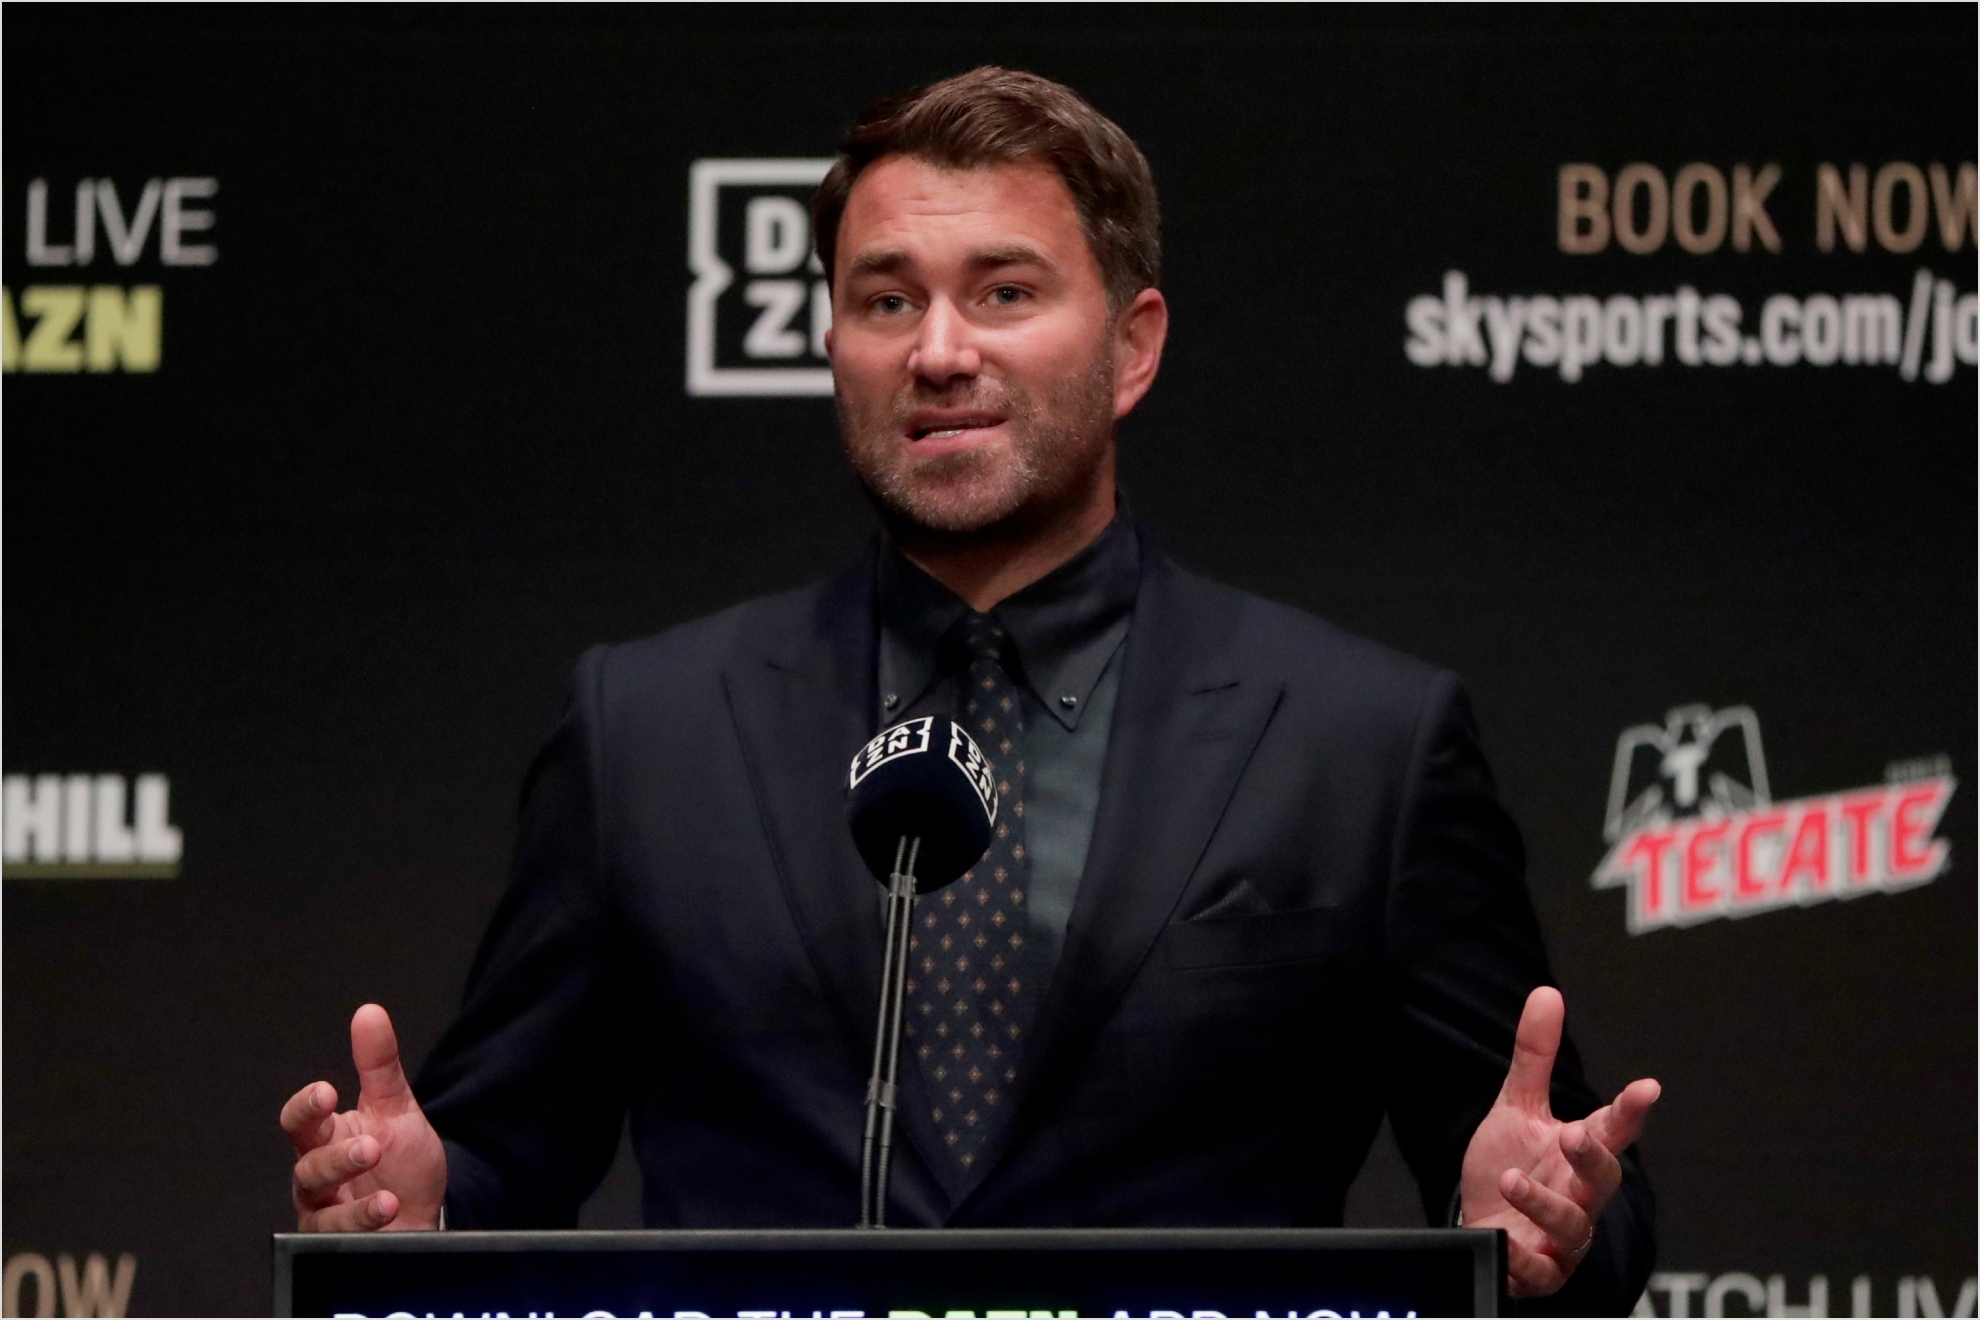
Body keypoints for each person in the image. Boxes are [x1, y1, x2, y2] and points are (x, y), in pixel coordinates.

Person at [280, 66, 1660, 1311]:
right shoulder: (646, 726)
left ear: (1132, 345)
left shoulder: (1364, 741)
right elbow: (501, 1173)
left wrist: (1548, 1230)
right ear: (831, 343)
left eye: (1003, 291)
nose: (940, 350)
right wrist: (420, 1211)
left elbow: (1567, 1197)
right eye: (887, 300)